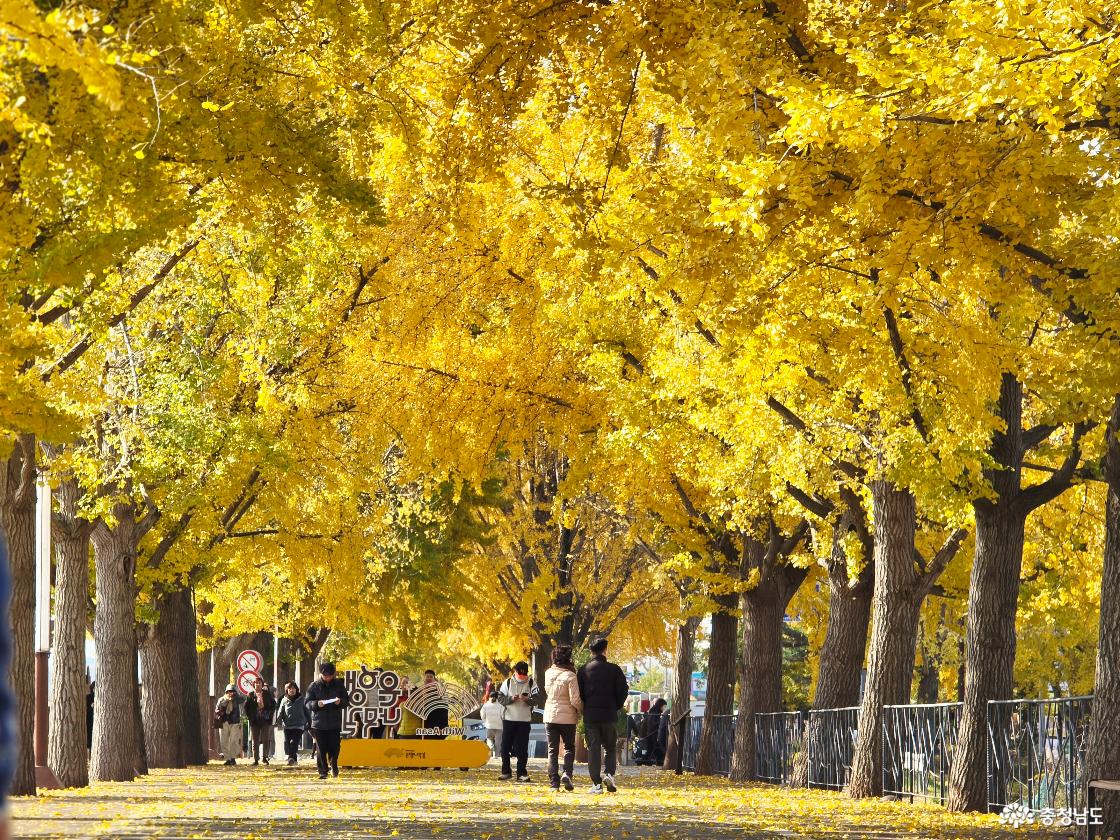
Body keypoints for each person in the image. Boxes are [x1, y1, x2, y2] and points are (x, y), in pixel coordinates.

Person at [577, 637, 628, 793]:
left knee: (593, 748)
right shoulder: (614, 670)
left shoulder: (583, 670)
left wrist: (586, 708)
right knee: (610, 747)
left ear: (591, 651)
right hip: (609, 715)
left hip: (591, 715)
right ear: (605, 650)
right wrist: (616, 706)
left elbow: (579, 694)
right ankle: (609, 774)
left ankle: (596, 784)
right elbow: (623, 691)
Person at [543, 645, 583, 791]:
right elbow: (575, 700)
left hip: (550, 716)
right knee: (569, 747)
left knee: (552, 750)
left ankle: (554, 782)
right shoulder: (571, 676)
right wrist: (582, 711)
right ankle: (567, 773)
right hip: (567, 718)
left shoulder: (548, 673)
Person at [304, 662, 350, 779]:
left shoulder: (339, 685)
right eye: (326, 675)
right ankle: (323, 771)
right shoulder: (314, 686)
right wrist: (316, 704)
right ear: (321, 674)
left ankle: (334, 765)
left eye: (330, 675)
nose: (328, 678)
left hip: (334, 722)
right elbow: (307, 703)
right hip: (319, 723)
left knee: (335, 748)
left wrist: (340, 702)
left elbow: (346, 701)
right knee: (321, 749)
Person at [497, 661, 539, 782]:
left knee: (522, 748)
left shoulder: (531, 683)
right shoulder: (508, 682)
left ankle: (521, 772)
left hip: (524, 720)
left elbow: (536, 700)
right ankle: (506, 771)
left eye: (524, 675)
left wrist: (527, 700)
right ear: (514, 672)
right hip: (509, 719)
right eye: (519, 675)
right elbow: (500, 698)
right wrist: (511, 699)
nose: (522, 677)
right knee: (505, 747)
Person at [243, 676, 277, 765]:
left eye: (259, 683)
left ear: (262, 684)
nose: (258, 684)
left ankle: (265, 757)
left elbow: (274, 704)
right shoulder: (250, 695)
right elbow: (246, 707)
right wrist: (250, 717)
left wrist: (269, 713)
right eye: (256, 683)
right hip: (255, 721)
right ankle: (256, 759)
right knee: (255, 740)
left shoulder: (267, 693)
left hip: (265, 720)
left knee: (266, 739)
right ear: (253, 684)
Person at [275, 681, 307, 765]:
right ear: (287, 690)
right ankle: (294, 759)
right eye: (289, 688)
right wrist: (278, 722)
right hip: (287, 725)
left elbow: (307, 711)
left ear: (296, 689)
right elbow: (280, 711)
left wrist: (309, 722)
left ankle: (290, 758)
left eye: (293, 688)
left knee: (294, 742)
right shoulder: (284, 700)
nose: (291, 690)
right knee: (287, 742)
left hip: (299, 725)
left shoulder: (302, 699)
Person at [214, 684, 244, 765]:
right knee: (224, 741)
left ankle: (233, 758)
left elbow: (243, 699)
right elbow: (216, 710)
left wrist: (236, 695)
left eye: (232, 691)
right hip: (224, 722)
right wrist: (221, 710)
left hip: (234, 722)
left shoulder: (237, 699)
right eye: (229, 691)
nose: (230, 693)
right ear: (226, 692)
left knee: (233, 741)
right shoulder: (222, 699)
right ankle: (228, 758)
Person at [420, 669, 449, 739]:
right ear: (424, 678)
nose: (429, 678)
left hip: (438, 725)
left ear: (434, 679)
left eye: (431, 677)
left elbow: (444, 708)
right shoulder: (421, 690)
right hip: (426, 725)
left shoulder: (439, 689)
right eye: (427, 676)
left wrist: (442, 727)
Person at [638, 697, 667, 766]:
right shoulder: (655, 713)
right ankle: (657, 762)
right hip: (653, 734)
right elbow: (654, 724)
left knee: (650, 750)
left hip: (651, 734)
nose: (664, 708)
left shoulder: (653, 712)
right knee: (656, 749)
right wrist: (661, 722)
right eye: (664, 706)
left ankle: (644, 762)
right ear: (660, 705)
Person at [479, 691, 505, 757]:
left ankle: (491, 746)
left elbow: (482, 716)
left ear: (489, 697)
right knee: (498, 741)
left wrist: (485, 721)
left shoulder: (485, 706)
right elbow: (503, 716)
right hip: (499, 726)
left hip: (489, 726)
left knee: (489, 738)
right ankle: (496, 755)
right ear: (497, 698)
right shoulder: (501, 706)